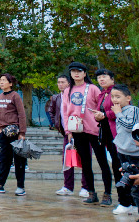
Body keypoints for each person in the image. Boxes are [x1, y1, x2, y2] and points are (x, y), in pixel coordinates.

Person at [61, 63, 111, 206]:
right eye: (73, 71)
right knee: (85, 163)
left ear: (84, 73)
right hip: (77, 131)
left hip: (94, 130)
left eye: (79, 71)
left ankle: (107, 194)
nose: (76, 74)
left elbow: (100, 106)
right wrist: (68, 131)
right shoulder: (68, 90)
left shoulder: (93, 88)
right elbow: (65, 111)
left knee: (102, 162)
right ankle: (91, 193)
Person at [110, 84, 139, 222]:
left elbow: (130, 127)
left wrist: (118, 113)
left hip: (136, 154)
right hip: (123, 152)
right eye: (112, 97)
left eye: (118, 96)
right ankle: (137, 210)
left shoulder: (133, 110)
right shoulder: (120, 111)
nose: (114, 100)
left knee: (138, 185)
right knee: (130, 184)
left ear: (128, 98)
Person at [48, 73, 87, 198]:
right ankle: (68, 186)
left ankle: (86, 187)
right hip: (67, 133)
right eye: (58, 82)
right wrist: (57, 125)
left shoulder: (76, 95)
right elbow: (51, 112)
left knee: (84, 159)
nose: (60, 85)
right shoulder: (56, 97)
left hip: (81, 132)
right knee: (67, 160)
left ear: (69, 83)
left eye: (63, 82)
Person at [0, 73, 27, 195]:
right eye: (0, 80)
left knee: (19, 160)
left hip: (14, 132)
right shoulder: (0, 96)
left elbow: (21, 114)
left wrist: (22, 132)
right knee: (4, 159)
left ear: (10, 83)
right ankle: (0, 184)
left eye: (4, 80)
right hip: (3, 133)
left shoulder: (15, 96)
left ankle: (20, 187)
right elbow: (0, 114)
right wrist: (0, 128)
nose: (1, 82)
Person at [95, 68, 126, 207]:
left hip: (117, 132)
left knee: (119, 165)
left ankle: (126, 200)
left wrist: (104, 115)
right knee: (114, 164)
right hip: (106, 132)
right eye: (99, 77)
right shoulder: (102, 94)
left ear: (112, 79)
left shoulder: (116, 92)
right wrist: (97, 116)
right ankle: (122, 199)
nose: (101, 79)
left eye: (104, 76)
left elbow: (120, 110)